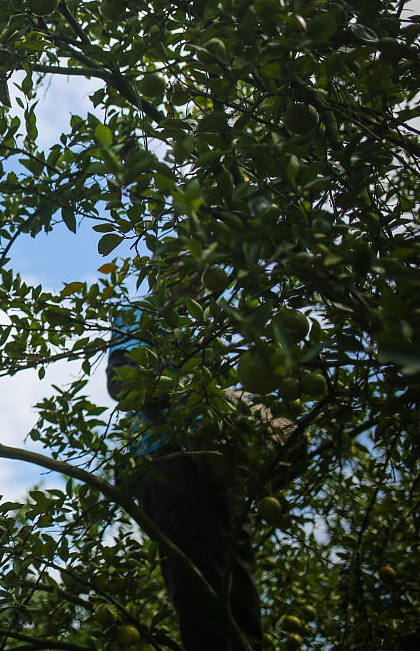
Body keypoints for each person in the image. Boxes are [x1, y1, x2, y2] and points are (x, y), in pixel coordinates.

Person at [106, 263, 295, 651]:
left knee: (240, 592)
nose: (195, 284)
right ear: (161, 274)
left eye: (199, 276)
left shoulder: (205, 326)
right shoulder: (139, 314)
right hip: (171, 463)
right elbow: (121, 384)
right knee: (201, 597)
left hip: (218, 467)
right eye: (184, 274)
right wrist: (191, 394)